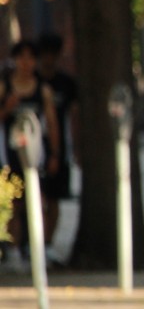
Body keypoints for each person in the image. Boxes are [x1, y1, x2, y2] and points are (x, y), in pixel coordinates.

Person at [0, 41, 61, 270]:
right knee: (14, 205)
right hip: (10, 156)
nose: (25, 63)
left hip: (36, 156)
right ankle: (14, 252)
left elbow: (52, 124)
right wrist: (7, 108)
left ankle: (40, 249)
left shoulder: (42, 90)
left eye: (30, 58)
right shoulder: (5, 88)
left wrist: (54, 154)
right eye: (21, 57)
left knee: (39, 200)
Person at [35, 33, 78, 261]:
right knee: (34, 198)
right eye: (45, 54)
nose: (48, 59)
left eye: (53, 54)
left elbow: (75, 117)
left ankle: (48, 243)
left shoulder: (66, 84)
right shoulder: (32, 82)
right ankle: (31, 243)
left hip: (59, 148)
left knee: (54, 198)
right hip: (33, 148)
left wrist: (74, 148)